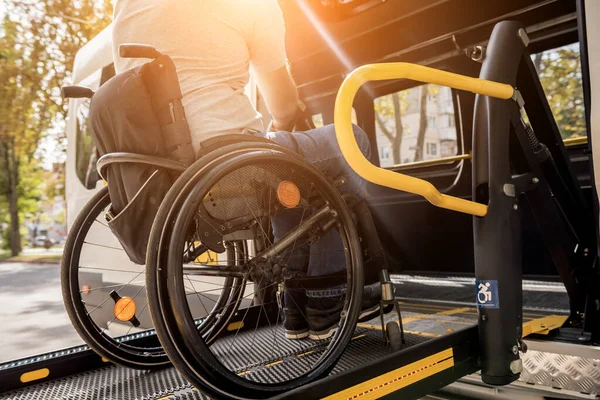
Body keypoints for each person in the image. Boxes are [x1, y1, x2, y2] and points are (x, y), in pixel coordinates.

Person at [112, 0, 387, 340]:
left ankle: (299, 306)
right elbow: (283, 104)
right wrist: (282, 123)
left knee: (289, 174)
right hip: (227, 154)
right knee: (349, 139)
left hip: (167, 168)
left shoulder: (127, 6)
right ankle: (328, 296)